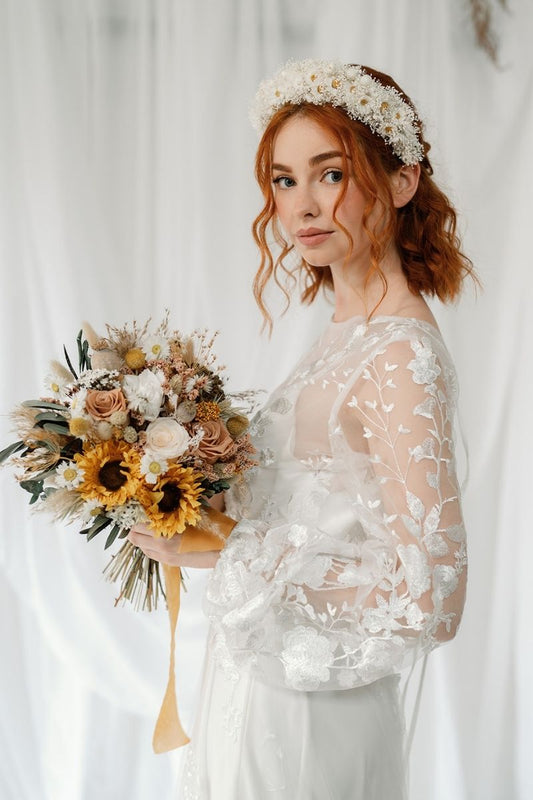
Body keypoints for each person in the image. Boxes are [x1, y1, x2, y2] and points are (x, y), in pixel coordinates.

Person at [129, 59, 473, 799]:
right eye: (283, 181)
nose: (301, 206)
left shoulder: (398, 354)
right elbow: (319, 511)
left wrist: (228, 552)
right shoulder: (346, 331)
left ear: (402, 181)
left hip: (317, 709)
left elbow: (432, 595)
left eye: (329, 173)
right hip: (259, 684)